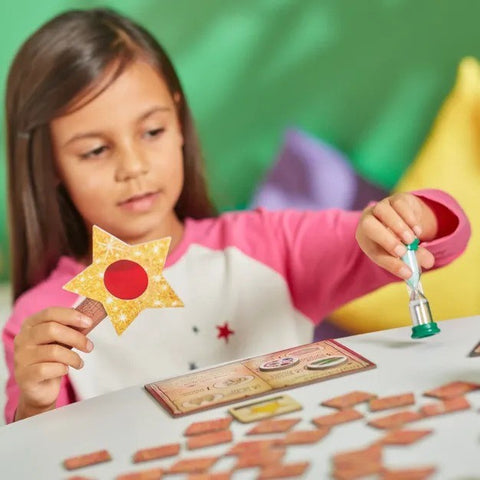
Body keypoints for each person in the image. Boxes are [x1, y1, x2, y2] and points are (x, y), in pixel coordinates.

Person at [2, 8, 470, 424]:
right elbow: (33, 451)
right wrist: (36, 405)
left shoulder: (269, 245)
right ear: (51, 165)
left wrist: (412, 219)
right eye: (97, 150)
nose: (134, 167)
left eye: (152, 130)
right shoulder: (40, 321)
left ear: (179, 122)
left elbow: (442, 235)